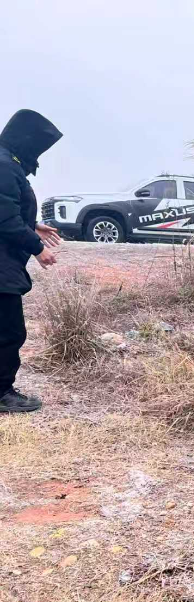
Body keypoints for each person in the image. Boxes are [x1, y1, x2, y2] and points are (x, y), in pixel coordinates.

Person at [0, 110, 63, 414]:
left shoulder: (5, 162)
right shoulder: (3, 165)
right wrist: (37, 248)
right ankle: (2, 394)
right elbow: (4, 219)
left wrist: (32, 224)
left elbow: (8, 208)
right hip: (2, 267)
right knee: (9, 331)